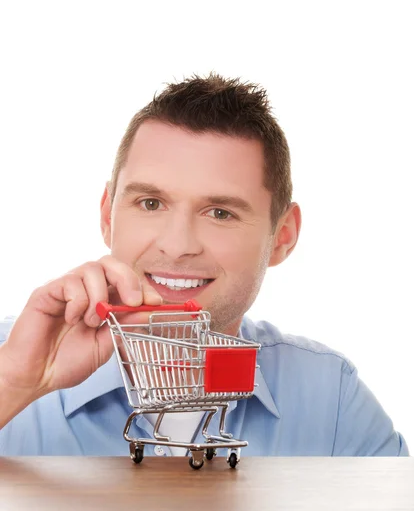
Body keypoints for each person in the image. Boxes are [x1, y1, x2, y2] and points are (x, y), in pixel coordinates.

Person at [0, 74, 409, 457]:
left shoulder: (331, 401)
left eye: (220, 213)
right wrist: (13, 383)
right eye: (151, 203)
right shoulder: (9, 356)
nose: (178, 247)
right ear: (108, 216)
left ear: (282, 236)